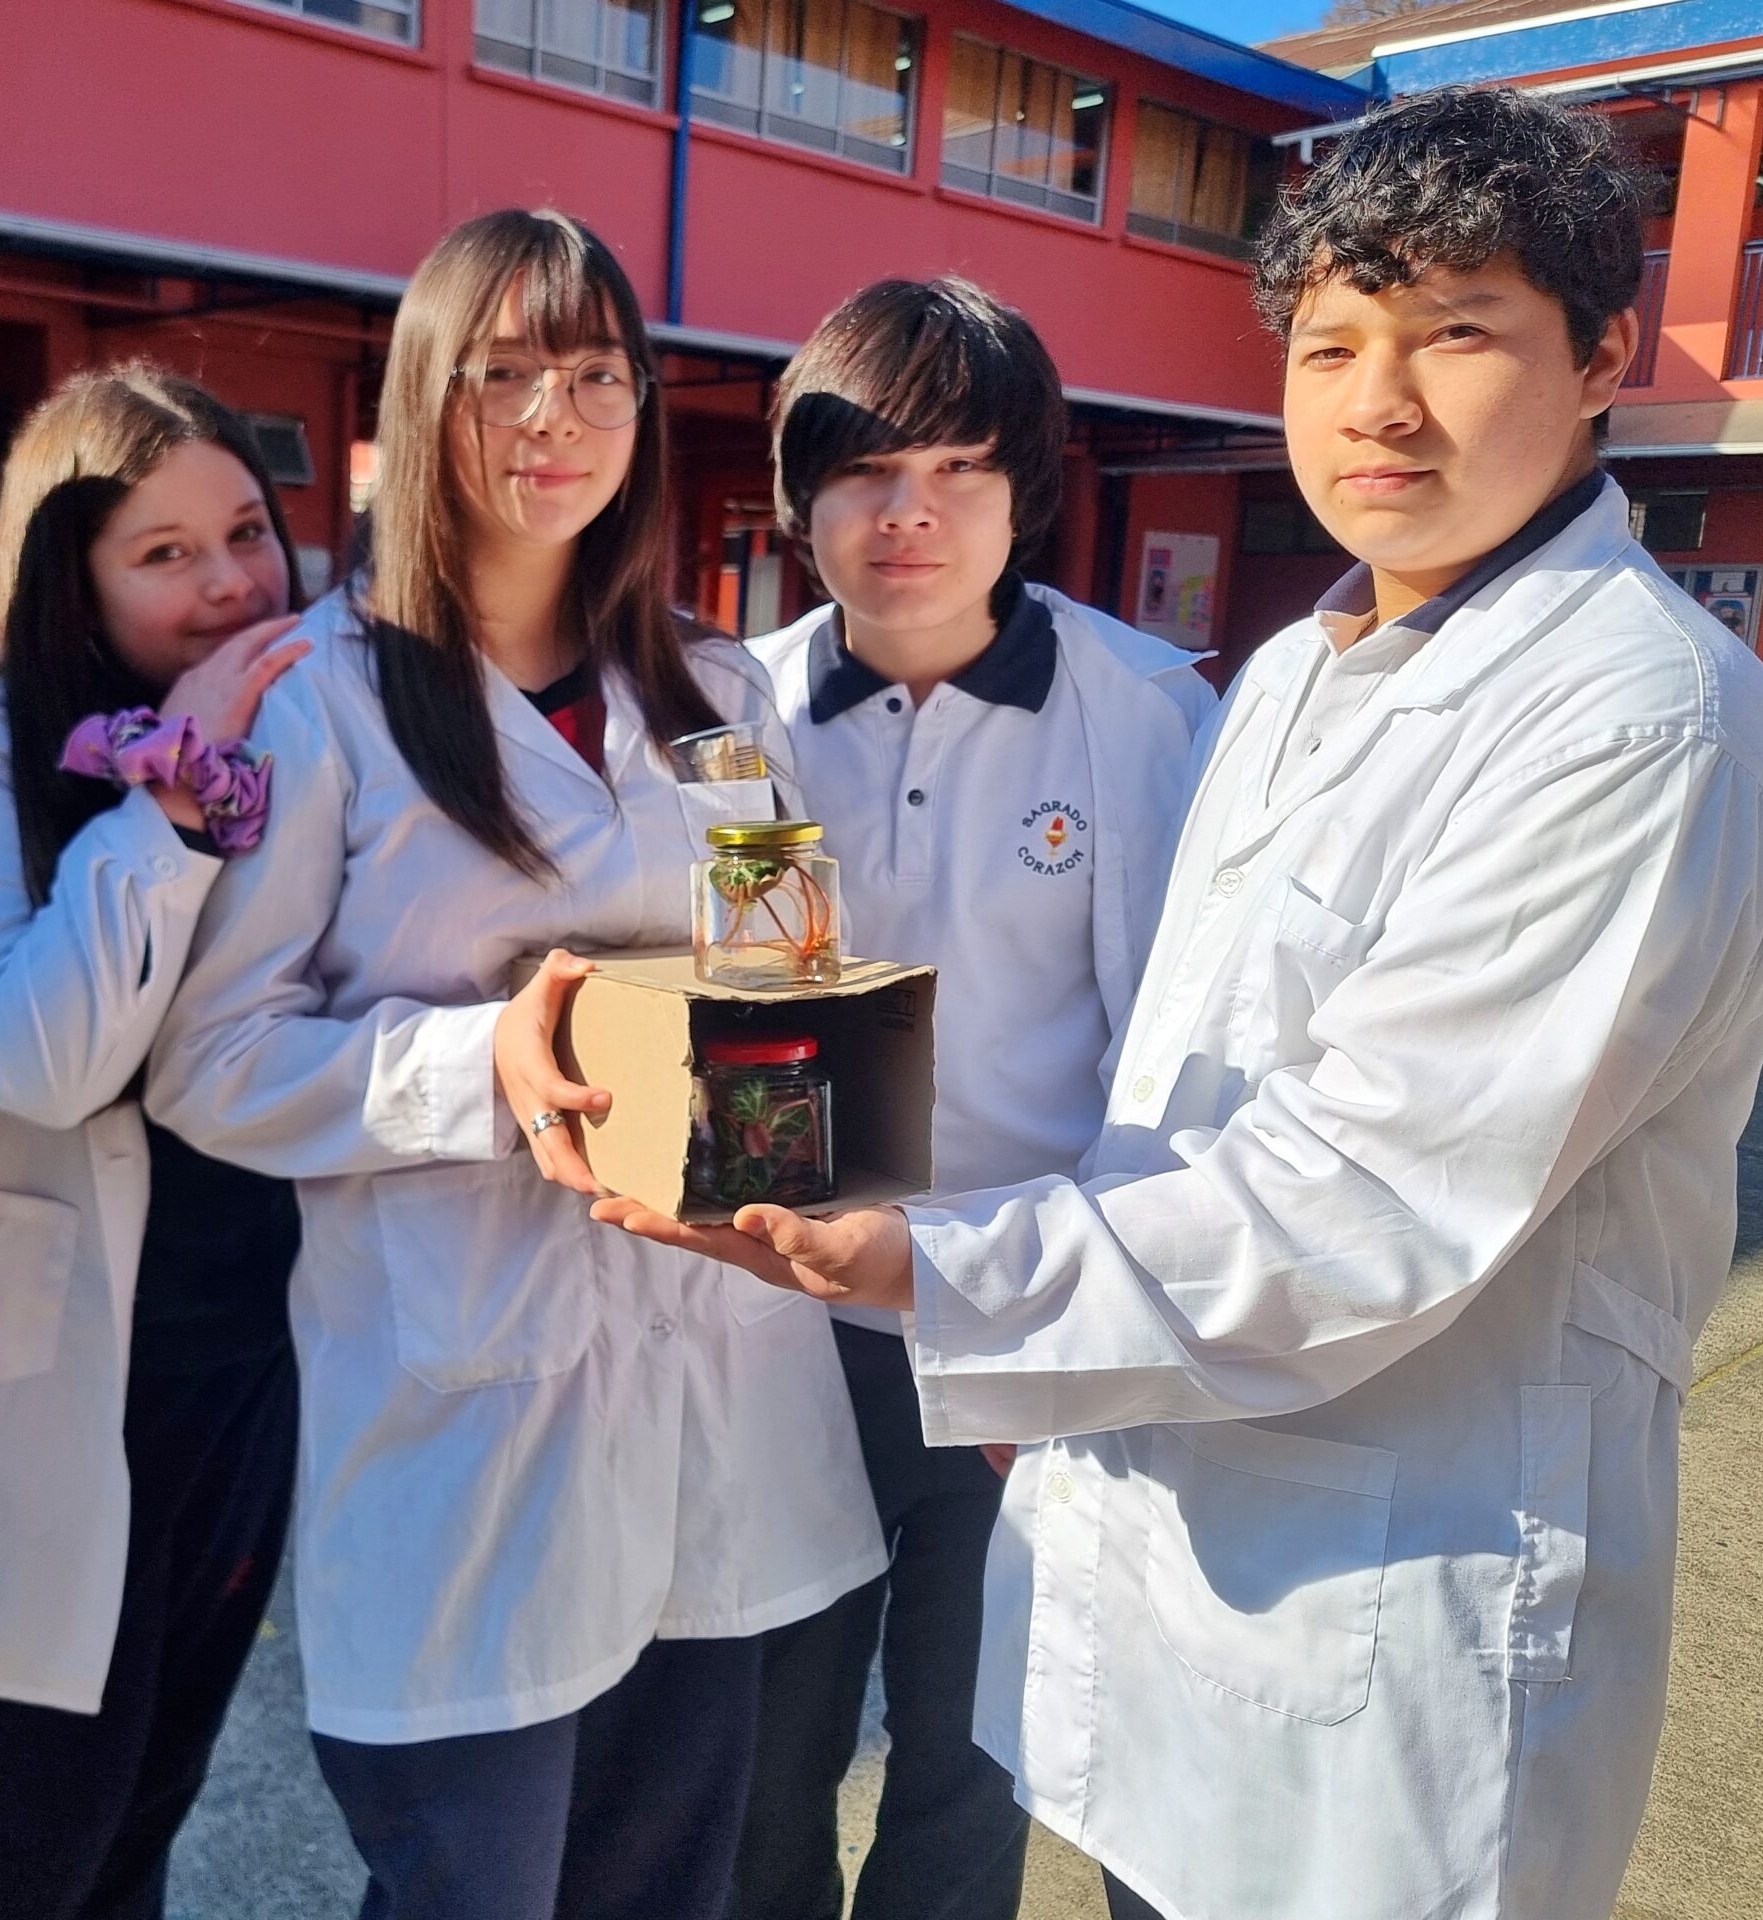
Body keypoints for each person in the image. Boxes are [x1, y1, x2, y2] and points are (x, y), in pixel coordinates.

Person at [595, 85, 1763, 1920]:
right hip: (1012, 1367)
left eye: (1457, 334)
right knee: (779, 1752)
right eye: (1332, 346)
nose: (1379, 403)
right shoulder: (1277, 678)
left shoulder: (1622, 729)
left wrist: (976, 1288)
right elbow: (1158, 1076)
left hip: (1303, 1516)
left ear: (1601, 358)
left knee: (952, 1782)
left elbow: (1367, 1190)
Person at [142, 207, 886, 1920]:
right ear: (426, 400)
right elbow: (213, 1061)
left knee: (669, 1886)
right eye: (506, 374)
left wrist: (791, 1098)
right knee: (471, 1887)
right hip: (467, 1414)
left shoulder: (715, 690)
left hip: (710, 1388)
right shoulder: (328, 700)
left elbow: (788, 971)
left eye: (599, 375)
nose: (558, 417)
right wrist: (489, 1062)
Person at [734, 278, 1212, 1920]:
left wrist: (1083, 1342)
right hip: (781, 1329)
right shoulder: (734, 713)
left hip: (1020, 1326)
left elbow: (1175, 1058)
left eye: (958, 468)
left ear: (1026, 492)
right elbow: (723, 998)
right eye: (866, 470)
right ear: (801, 497)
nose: (909, 514)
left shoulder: (1145, 713)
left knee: (974, 1752)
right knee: (765, 1752)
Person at [0, 365, 310, 1919]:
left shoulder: (306, 727)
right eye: (163, 552)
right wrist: (168, 803)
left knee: (146, 1806)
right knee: (4, 1832)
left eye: (244, 531)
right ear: (73, 579)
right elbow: (31, 1056)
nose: (229, 582)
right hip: (63, 1376)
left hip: (238, 1364)